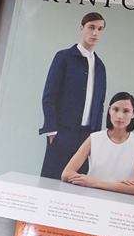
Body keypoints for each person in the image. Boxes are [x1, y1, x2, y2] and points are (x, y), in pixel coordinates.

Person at [39, 12, 107, 180]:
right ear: (81, 28)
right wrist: (52, 132)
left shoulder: (100, 66)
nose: (95, 33)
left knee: (77, 185)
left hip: (86, 138)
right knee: (50, 182)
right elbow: (49, 96)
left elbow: (99, 106)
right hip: (62, 133)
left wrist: (95, 140)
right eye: (91, 27)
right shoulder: (63, 57)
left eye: (100, 29)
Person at [61, 91, 134, 196]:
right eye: (115, 109)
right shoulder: (94, 138)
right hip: (91, 198)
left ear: (133, 114)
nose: (120, 116)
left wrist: (93, 182)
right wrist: (120, 186)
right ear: (109, 110)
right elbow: (66, 174)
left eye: (126, 111)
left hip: (121, 202)